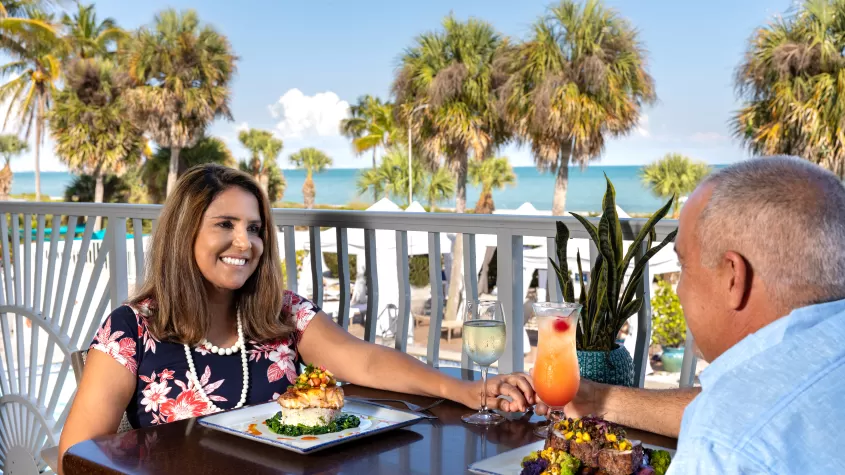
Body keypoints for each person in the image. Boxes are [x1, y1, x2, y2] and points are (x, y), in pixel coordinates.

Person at [58, 165, 535, 471]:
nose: (245, 244)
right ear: (183, 234)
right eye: (225, 225)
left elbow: (362, 360)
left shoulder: (281, 312)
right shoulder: (133, 328)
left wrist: (465, 390)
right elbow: (75, 456)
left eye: (255, 228)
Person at [538, 156, 845, 473]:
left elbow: (737, 420)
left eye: (684, 266)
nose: (678, 290)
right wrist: (598, 398)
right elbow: (746, 403)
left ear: (733, 278)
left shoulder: (724, 450)